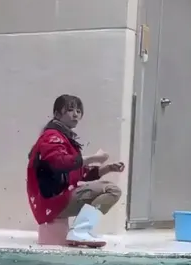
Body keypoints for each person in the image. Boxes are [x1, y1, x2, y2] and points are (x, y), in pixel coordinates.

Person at [27, 94, 125, 245]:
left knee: (108, 187)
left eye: (79, 111)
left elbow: (79, 173)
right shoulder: (51, 137)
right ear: (57, 114)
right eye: (70, 110)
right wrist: (94, 158)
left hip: (55, 201)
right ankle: (80, 231)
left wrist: (107, 168)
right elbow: (60, 163)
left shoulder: (62, 138)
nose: (75, 115)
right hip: (52, 202)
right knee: (112, 190)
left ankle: (80, 231)